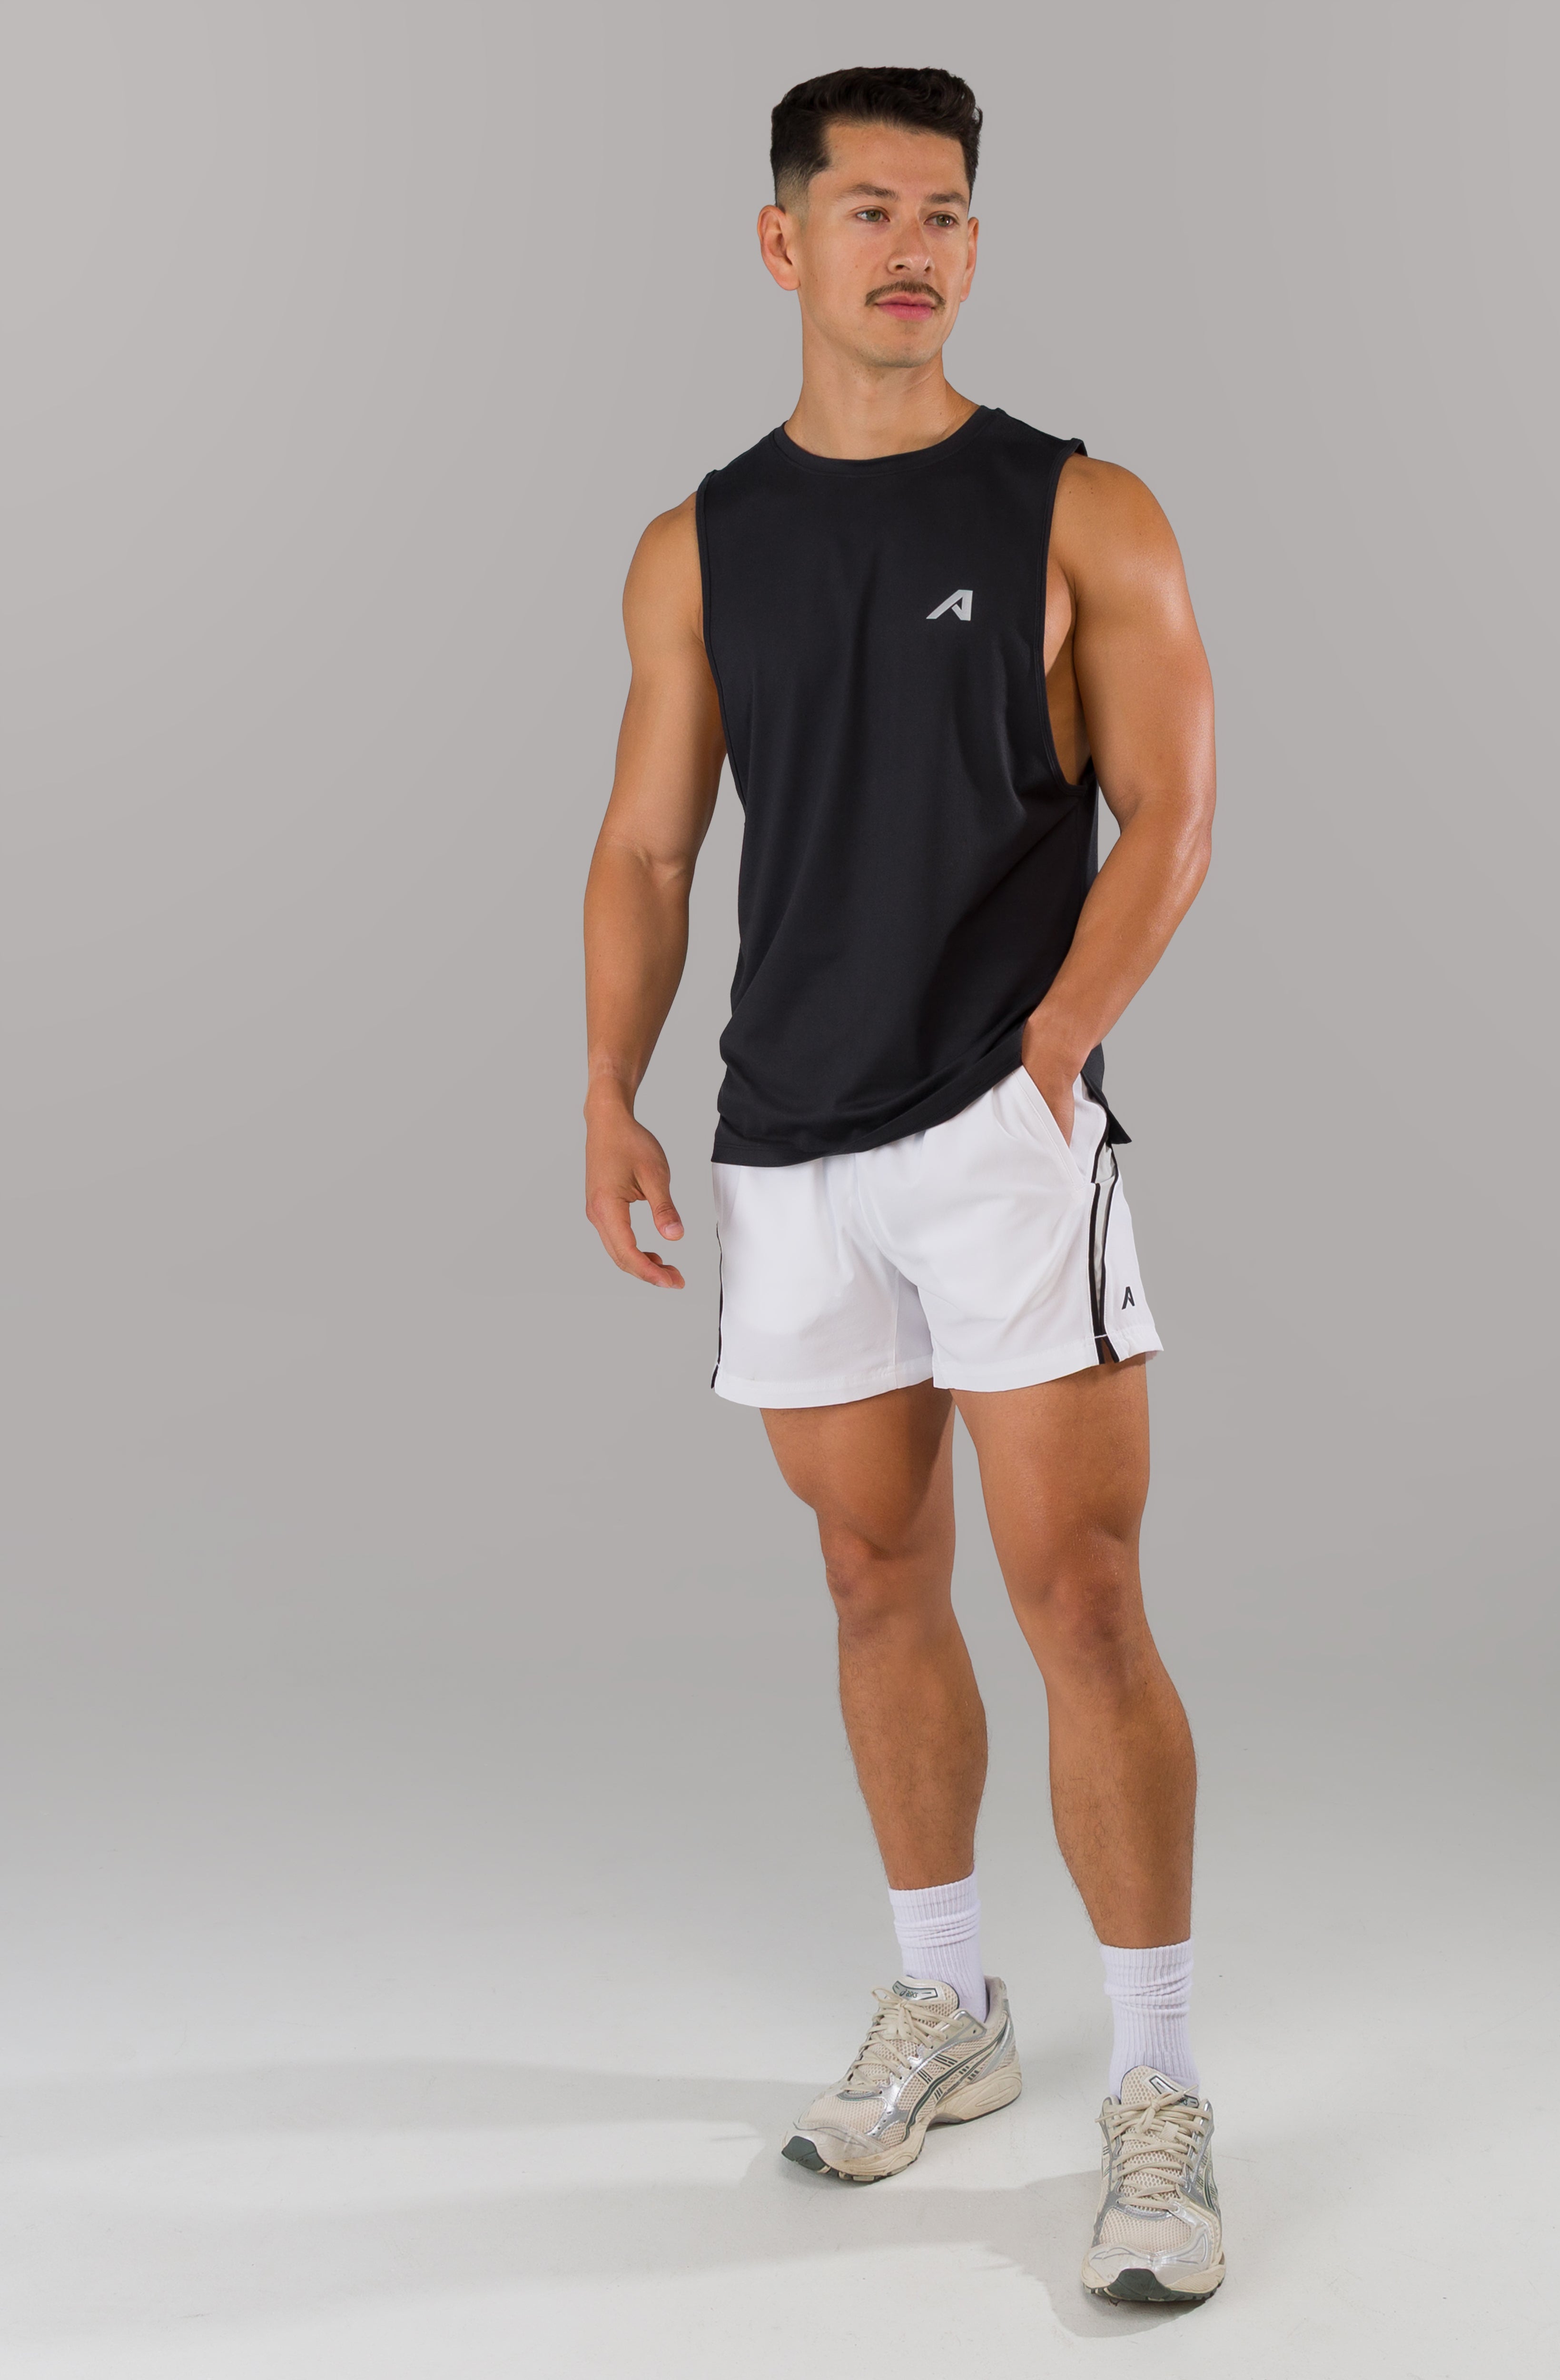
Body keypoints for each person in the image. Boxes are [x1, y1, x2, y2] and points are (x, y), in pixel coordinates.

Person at [581, 65, 1221, 2306]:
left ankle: (1157, 2090)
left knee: (1084, 1597)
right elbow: (650, 844)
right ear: (785, 244)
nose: (912, 246)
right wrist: (608, 1088)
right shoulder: (697, 545)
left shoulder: (1080, 509)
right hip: (789, 1141)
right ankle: (949, 2003)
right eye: (867, 209)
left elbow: (1175, 809)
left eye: (943, 209)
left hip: (996, 1138)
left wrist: (1055, 1044)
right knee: (872, 1575)